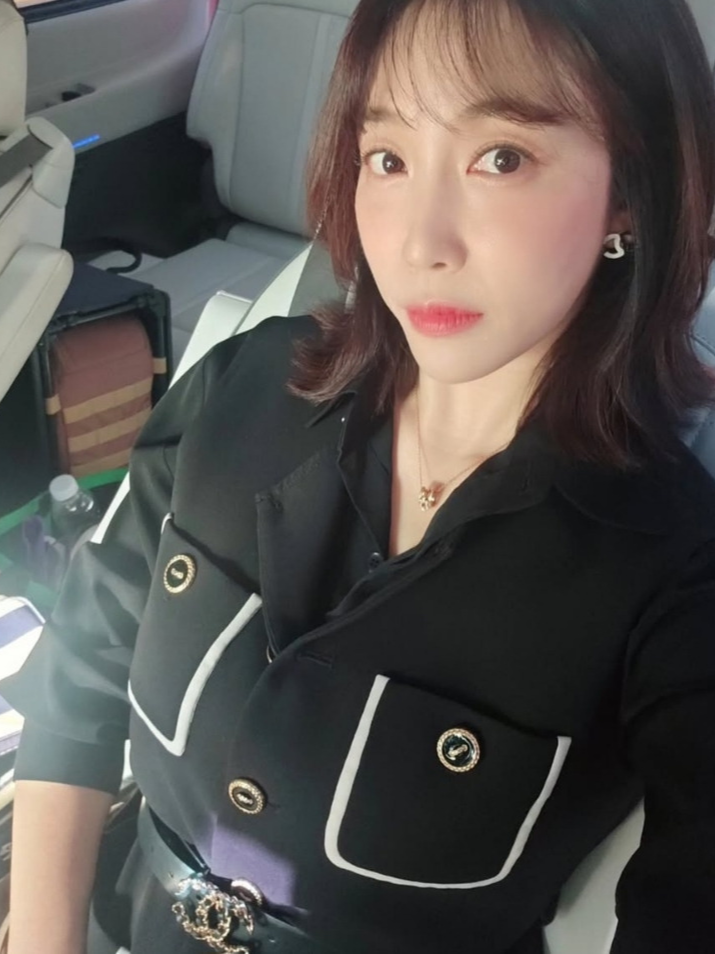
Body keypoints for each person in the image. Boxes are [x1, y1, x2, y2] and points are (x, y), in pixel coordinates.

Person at [3, 0, 715, 952]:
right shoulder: (243, 387)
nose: (419, 244)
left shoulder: (674, 568)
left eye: (501, 157)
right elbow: (80, 680)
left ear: (629, 192)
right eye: (387, 158)